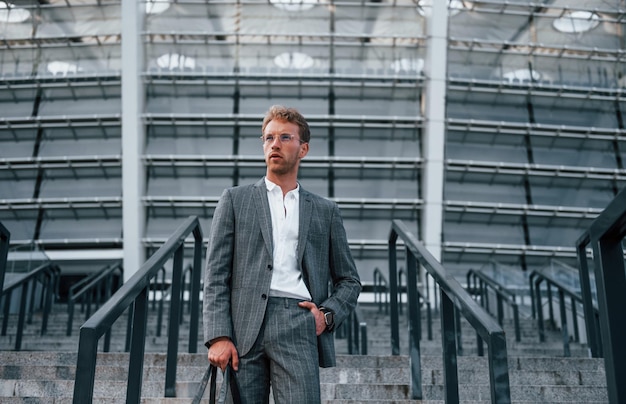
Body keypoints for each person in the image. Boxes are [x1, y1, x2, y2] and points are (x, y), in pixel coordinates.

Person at [203, 105, 362, 404]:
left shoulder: (325, 211)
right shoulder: (235, 200)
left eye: (285, 137)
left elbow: (349, 280)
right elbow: (215, 274)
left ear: (303, 149)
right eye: (268, 138)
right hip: (243, 326)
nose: (274, 144)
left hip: (297, 321)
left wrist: (325, 316)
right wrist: (218, 335)